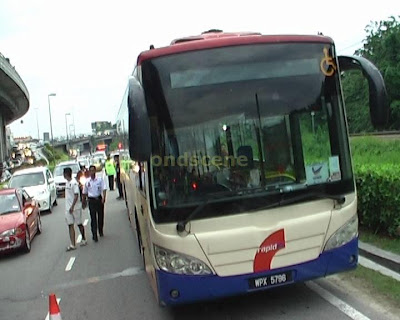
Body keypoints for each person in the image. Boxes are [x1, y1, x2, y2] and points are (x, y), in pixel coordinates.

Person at [64, 167, 87, 251]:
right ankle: (73, 244)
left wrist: (72, 206)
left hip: (76, 208)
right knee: (70, 225)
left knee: (79, 224)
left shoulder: (74, 183)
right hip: (68, 208)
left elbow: (76, 195)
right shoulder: (67, 183)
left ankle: (84, 238)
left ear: (66, 174)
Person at [82, 165, 107, 242]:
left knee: (100, 216)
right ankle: (94, 234)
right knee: (93, 218)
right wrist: (84, 201)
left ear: (95, 171)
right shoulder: (87, 181)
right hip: (91, 200)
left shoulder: (99, 180)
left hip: (98, 199)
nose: (92, 172)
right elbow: (84, 192)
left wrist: (104, 198)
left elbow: (104, 188)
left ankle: (100, 230)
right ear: (89, 172)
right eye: (91, 171)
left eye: (93, 170)